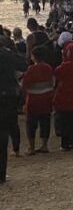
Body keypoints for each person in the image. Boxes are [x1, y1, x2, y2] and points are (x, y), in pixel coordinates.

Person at [21, 45, 55, 154]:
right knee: (45, 122)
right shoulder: (49, 68)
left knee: (31, 124)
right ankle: (44, 145)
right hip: (46, 100)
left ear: (34, 57)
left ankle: (31, 147)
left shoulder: (31, 69)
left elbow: (25, 85)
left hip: (33, 100)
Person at [0, 37, 25, 181]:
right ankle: (1, 174)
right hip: (8, 95)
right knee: (4, 133)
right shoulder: (8, 53)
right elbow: (23, 64)